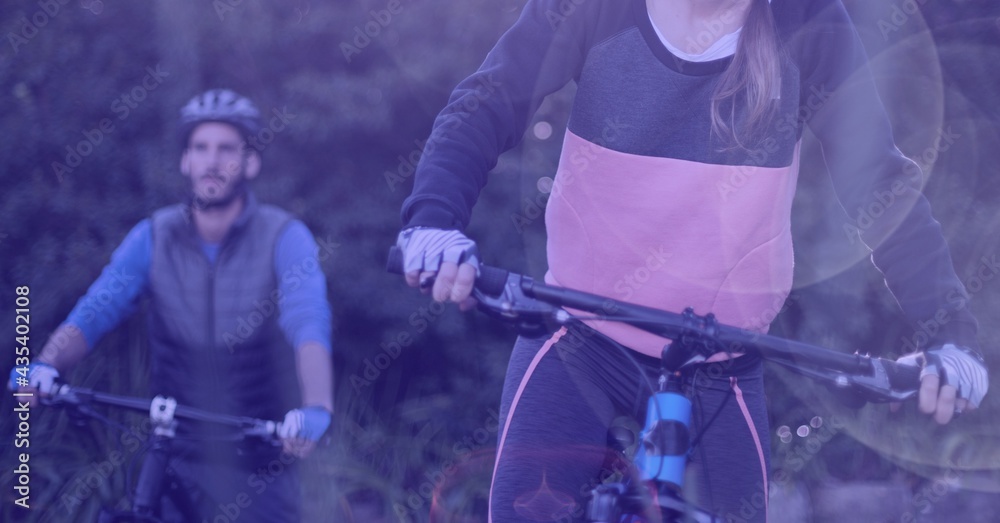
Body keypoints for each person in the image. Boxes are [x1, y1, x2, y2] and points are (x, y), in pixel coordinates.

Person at [394, 0, 989, 521]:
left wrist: (952, 333)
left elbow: (879, 187)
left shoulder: (809, 19)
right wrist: (434, 222)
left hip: (720, 359)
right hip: (579, 336)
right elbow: (489, 103)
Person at [10, 89, 334, 523]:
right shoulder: (154, 235)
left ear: (250, 163)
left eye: (226, 149)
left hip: (261, 459)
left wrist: (317, 407)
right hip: (175, 451)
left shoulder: (284, 236)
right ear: (185, 161)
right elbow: (98, 308)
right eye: (200, 148)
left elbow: (307, 320)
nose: (212, 161)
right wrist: (46, 365)